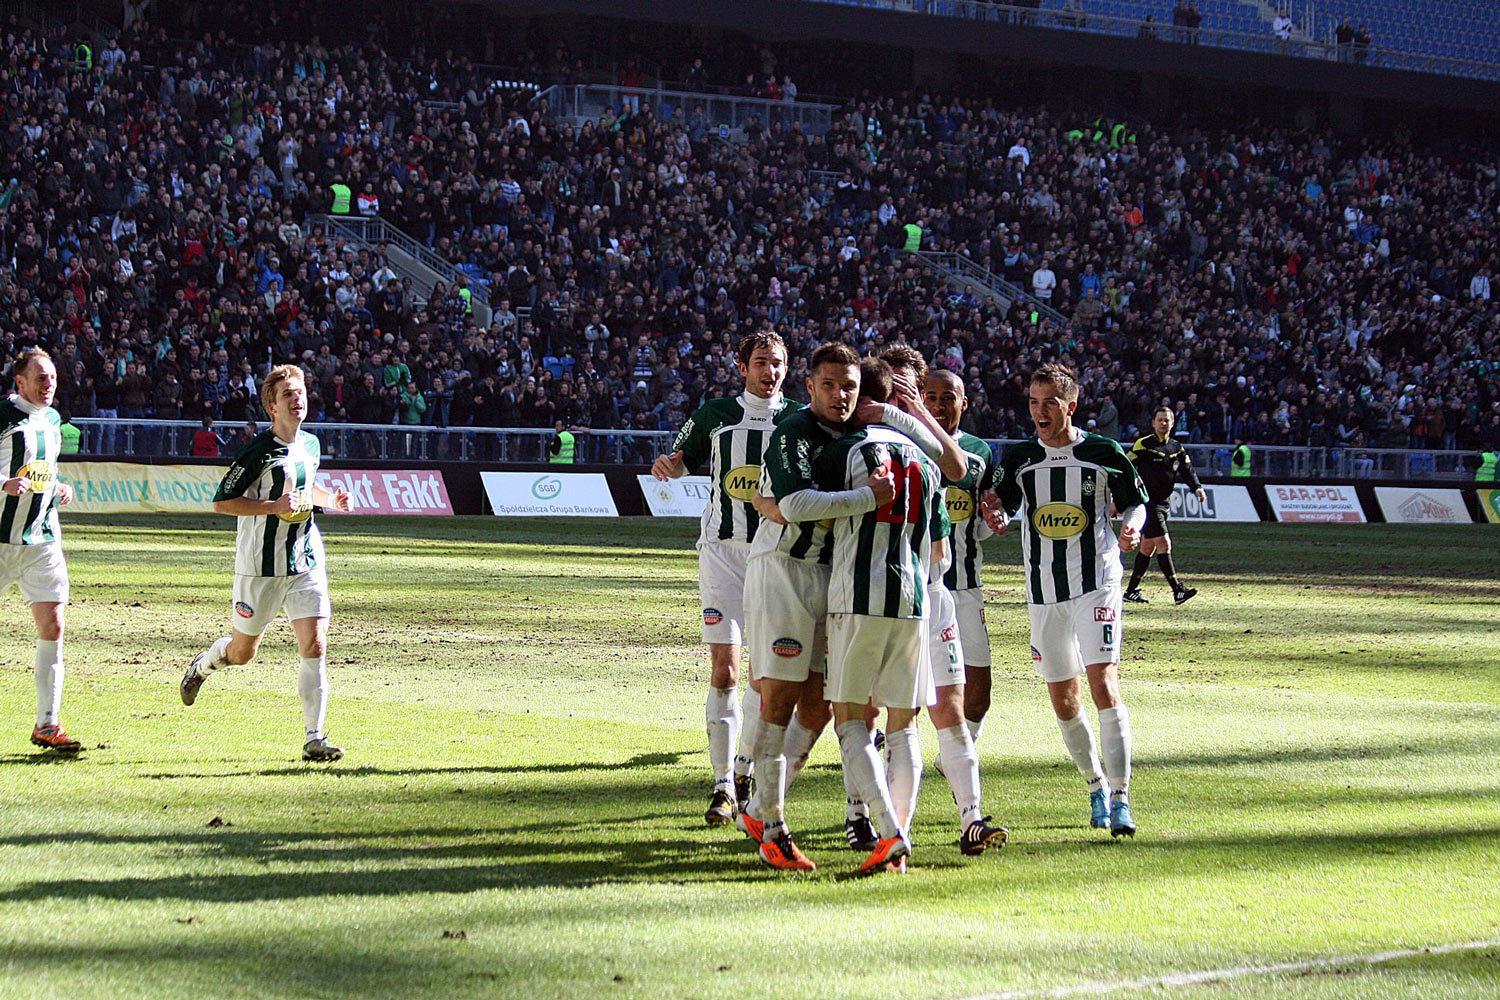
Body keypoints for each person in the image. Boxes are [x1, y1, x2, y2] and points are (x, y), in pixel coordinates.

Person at [739, 345, 967, 868]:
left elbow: (793, 505)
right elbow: (796, 506)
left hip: (835, 582)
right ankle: (771, 825)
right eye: (829, 385)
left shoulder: (857, 441)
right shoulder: (795, 431)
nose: (840, 396)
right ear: (810, 386)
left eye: (849, 387)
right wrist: (866, 497)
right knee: (780, 698)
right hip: (785, 572)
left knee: (820, 705)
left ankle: (761, 806)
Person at [985, 364, 1148, 838]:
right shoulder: (1019, 457)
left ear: (1070, 405)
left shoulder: (1103, 452)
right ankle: (1095, 784)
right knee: (1063, 697)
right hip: (1042, 592)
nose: (1039, 411)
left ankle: (1121, 796)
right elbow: (1004, 503)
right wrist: (996, 514)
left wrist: (1132, 524)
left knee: (1103, 683)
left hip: (1096, 582)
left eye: (1049, 403)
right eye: (1033, 402)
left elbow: (1135, 501)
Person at [652, 331, 799, 826]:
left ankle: (743, 771)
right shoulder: (714, 415)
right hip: (720, 553)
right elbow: (678, 460)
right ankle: (720, 785)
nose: (770, 371)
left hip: (775, 556)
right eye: (761, 362)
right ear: (741, 366)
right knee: (725, 669)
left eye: (777, 363)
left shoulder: (799, 419)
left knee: (763, 674)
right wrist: (667, 466)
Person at [180, 365, 355, 762]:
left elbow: (306, 487)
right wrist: (271, 507)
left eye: (301, 392)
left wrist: (331, 501)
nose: (298, 399)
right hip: (260, 568)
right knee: (242, 653)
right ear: (272, 407)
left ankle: (315, 737)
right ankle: (204, 664)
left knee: (315, 643)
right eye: (288, 394)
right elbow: (222, 502)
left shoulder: (310, 444)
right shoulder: (257, 450)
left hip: (305, 560)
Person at [816, 357, 946, 875]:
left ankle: (889, 835)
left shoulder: (844, 451)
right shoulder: (927, 462)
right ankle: (901, 838)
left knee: (848, 718)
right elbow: (940, 549)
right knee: (904, 727)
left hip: (858, 597)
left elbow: (813, 513)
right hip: (914, 600)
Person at [2, 349, 81, 752]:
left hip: (42, 541)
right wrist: (1, 484)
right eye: (40, 378)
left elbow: (44, 471)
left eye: (52, 377)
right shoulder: (4, 417)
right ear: (20, 382)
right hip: (0, 542)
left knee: (53, 627)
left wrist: (59, 487)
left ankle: (47, 724)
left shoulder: (51, 421)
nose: (48, 384)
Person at [1124, 407, 1204, 605]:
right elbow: (1126, 465)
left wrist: (1197, 488)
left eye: (1167, 420)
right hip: (1147, 503)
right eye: (1159, 420)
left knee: (1147, 546)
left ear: (1172, 423)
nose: (1163, 423)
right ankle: (1177, 590)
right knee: (1164, 543)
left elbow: (1187, 470)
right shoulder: (1144, 445)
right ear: (1153, 423)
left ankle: (1131, 591)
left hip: (1163, 503)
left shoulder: (1176, 447)